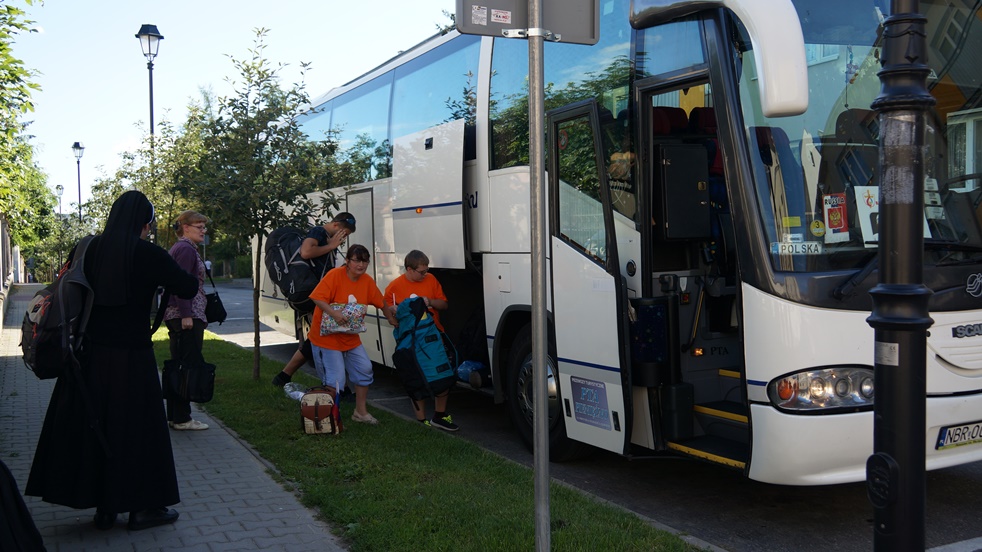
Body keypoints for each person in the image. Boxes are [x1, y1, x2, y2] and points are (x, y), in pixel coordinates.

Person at [26, 190, 198, 531]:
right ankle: (142, 509)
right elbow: (188, 287)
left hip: (87, 356)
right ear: (143, 222)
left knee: (92, 427)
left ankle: (103, 508)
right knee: (137, 432)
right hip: (132, 359)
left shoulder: (87, 247)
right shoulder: (148, 254)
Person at [271, 212, 356, 386]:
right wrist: (331, 246)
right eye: (344, 233)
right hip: (316, 297)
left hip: (320, 296)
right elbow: (306, 251)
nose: (344, 237)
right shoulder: (318, 232)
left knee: (318, 339)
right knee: (325, 340)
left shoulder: (325, 238)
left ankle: (283, 377)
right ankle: (337, 387)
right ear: (336, 225)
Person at [308, 244, 387, 425]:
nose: (361, 265)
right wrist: (335, 313)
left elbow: (381, 302)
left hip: (350, 338)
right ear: (347, 261)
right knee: (336, 379)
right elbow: (316, 297)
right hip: (326, 338)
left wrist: (391, 316)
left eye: (364, 261)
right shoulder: (334, 275)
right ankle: (327, 419)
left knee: (365, 369)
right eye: (356, 260)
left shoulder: (366, 281)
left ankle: (360, 412)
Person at [383, 250, 459, 431]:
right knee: (416, 377)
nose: (425, 274)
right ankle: (421, 420)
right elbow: (387, 311)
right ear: (409, 269)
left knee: (443, 374)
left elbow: (444, 305)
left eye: (426, 270)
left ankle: (439, 416)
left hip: (435, 336)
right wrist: (392, 313)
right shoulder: (394, 287)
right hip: (410, 341)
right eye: (421, 272)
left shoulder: (431, 280)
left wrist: (430, 301)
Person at [163, 211, 212, 431]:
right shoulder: (184, 249)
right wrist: (185, 315)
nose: (204, 231)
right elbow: (181, 284)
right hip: (186, 316)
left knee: (180, 365)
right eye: (199, 226)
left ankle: (176, 415)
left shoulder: (184, 248)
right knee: (188, 367)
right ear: (185, 227)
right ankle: (182, 418)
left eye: (204, 227)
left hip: (185, 314)